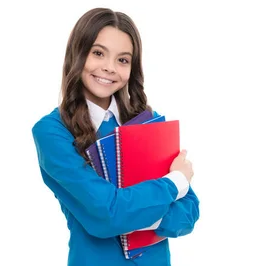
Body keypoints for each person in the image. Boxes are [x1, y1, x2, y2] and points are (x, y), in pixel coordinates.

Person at [31, 7, 200, 266]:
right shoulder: (52, 131)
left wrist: (131, 212)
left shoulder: (147, 120)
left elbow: (188, 215)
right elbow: (106, 215)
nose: (109, 68)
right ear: (78, 54)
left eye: (123, 60)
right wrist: (175, 182)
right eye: (98, 53)